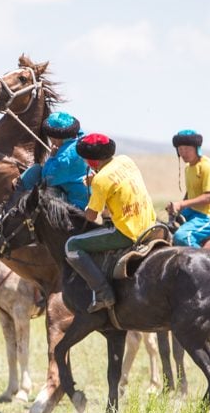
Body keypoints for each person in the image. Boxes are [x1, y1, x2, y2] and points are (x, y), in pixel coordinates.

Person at [64, 133, 157, 312]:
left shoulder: (100, 181)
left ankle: (102, 293)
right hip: (150, 225)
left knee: (72, 245)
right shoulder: (126, 160)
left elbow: (91, 217)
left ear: (91, 162)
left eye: (85, 159)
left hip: (128, 233)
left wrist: (91, 188)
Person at [16, 111, 90, 209]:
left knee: (35, 171)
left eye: (51, 138)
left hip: (75, 203)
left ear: (57, 138)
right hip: (85, 192)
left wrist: (51, 157)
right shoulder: (81, 138)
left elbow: (47, 179)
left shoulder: (64, 158)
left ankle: (13, 207)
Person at [165, 130, 210, 247]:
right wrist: (176, 208)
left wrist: (182, 204)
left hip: (208, 216)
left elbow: (208, 197)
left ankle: (203, 263)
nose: (183, 153)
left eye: (187, 149)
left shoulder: (207, 166)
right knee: (165, 230)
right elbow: (190, 192)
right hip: (192, 211)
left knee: (181, 236)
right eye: (180, 150)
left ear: (196, 148)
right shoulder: (188, 168)